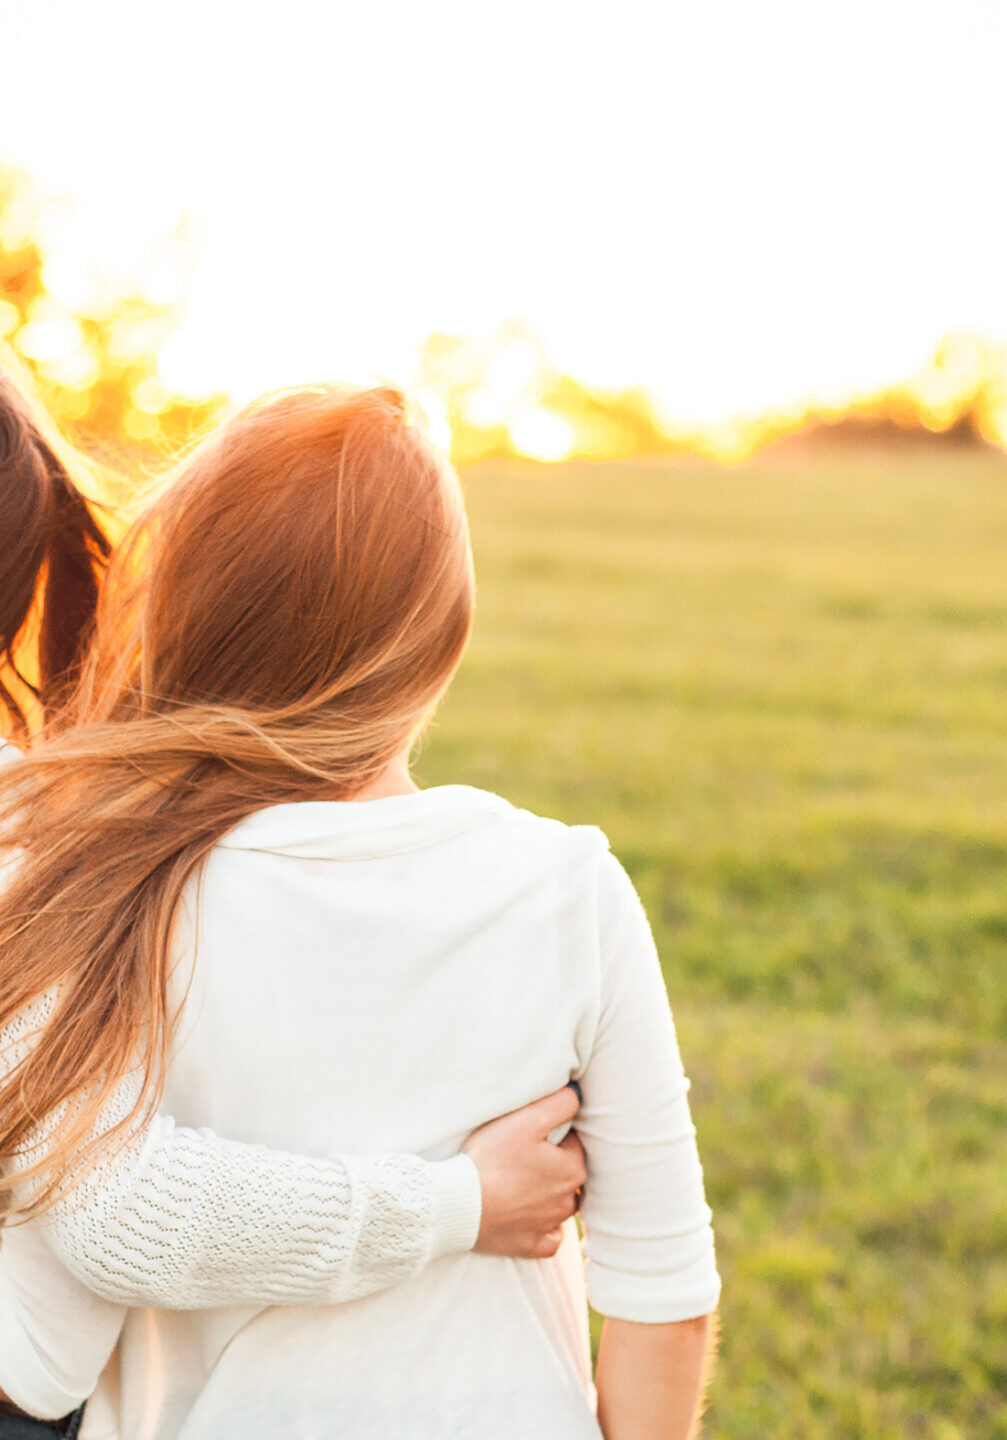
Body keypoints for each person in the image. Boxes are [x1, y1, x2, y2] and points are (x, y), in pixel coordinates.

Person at [1, 383, 720, 1439]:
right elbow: (660, 1290)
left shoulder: (112, 883)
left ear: (184, 613)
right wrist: (462, 1202)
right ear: (441, 642)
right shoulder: (568, 890)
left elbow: (103, 1211)